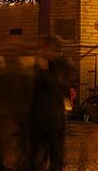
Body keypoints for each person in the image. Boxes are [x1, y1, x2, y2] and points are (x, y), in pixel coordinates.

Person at [30, 38, 73, 171]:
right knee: (34, 157)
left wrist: (44, 70)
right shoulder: (39, 66)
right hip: (37, 120)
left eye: (44, 48)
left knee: (56, 157)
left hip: (54, 120)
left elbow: (60, 86)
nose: (41, 51)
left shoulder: (62, 65)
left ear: (53, 49)